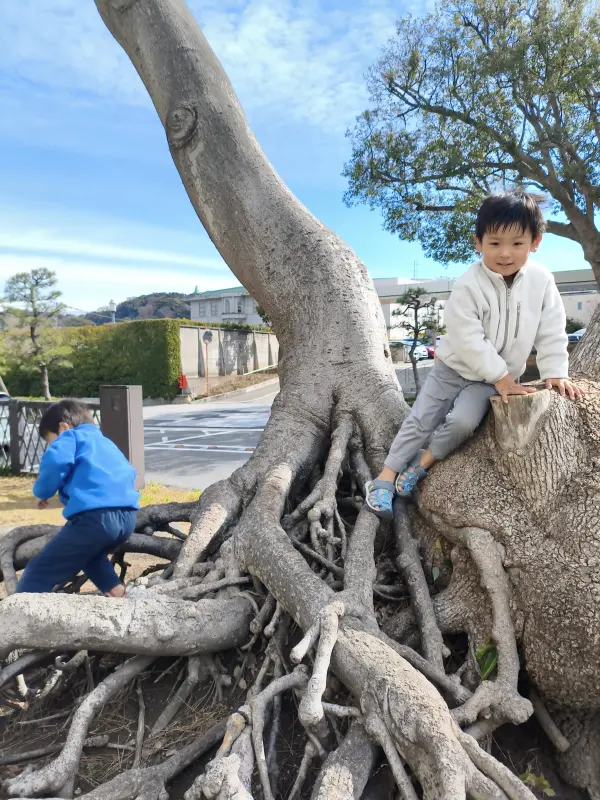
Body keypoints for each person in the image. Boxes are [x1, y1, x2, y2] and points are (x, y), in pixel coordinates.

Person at [366, 189, 584, 520]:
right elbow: (468, 338)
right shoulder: (469, 284)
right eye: (495, 243)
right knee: (421, 418)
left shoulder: (541, 280)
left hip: (489, 382)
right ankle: (383, 478)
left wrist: (555, 371)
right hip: (454, 368)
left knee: (463, 424)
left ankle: (421, 464)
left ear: (535, 242)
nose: (506, 253)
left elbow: (551, 327)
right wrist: (503, 377)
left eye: (517, 243)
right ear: (478, 242)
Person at [15, 399, 140, 596]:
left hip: (95, 519)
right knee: (90, 556)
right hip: (128, 518)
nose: (52, 445)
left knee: (37, 572)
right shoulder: (104, 442)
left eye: (50, 440)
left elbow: (55, 461)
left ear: (63, 426)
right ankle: (119, 594)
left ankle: (19, 614)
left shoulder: (69, 436)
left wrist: (42, 492)